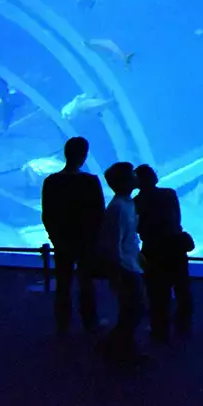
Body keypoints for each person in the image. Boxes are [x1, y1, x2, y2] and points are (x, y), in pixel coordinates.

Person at [40, 136, 104, 334]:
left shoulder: (51, 181)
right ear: (84, 156)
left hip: (62, 241)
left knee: (63, 283)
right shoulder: (90, 181)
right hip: (85, 241)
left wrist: (54, 238)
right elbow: (99, 212)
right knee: (86, 283)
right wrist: (94, 238)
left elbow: (47, 214)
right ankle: (90, 322)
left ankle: (63, 323)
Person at [134, 165, 192, 341]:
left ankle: (159, 327)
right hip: (175, 245)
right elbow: (177, 218)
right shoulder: (169, 193)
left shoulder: (136, 202)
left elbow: (137, 227)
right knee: (182, 286)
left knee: (157, 290)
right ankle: (184, 323)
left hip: (152, 249)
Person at [98, 161, 145, 362]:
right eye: (132, 173)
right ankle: (120, 351)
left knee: (133, 309)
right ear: (125, 181)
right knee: (133, 309)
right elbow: (112, 244)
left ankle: (118, 347)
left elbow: (129, 236)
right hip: (125, 267)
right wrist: (115, 274)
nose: (136, 175)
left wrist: (140, 256)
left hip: (132, 263)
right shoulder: (117, 208)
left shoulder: (128, 202)